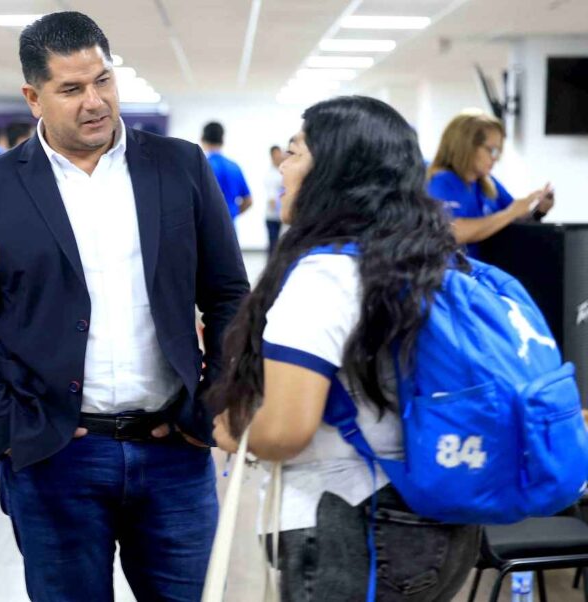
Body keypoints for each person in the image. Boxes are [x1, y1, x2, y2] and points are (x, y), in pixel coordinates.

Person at [0, 12, 249, 601]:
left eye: (103, 80)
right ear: (34, 97)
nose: (95, 101)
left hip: (173, 451)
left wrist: (212, 400)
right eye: (72, 88)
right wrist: (6, 430)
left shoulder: (180, 167)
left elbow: (229, 294)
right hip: (54, 458)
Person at [211, 96, 480, 602]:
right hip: (437, 523)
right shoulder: (425, 258)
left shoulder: (327, 276)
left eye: (295, 152)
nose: (283, 167)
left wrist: (233, 431)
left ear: (334, 171)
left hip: (352, 526)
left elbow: (286, 431)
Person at [427, 110, 554, 259]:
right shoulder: (441, 182)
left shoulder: (488, 184)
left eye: (498, 152)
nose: (496, 158)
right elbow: (452, 232)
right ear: (467, 146)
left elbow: (512, 223)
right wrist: (511, 213)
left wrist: (538, 210)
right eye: (492, 150)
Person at [201, 121, 252, 220]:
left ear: (203, 139)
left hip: (206, 225)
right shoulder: (234, 166)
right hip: (230, 225)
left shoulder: (202, 166)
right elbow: (248, 200)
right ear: (222, 139)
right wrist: (231, 215)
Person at [264, 144, 285, 256]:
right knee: (273, 245)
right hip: (273, 216)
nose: (279, 156)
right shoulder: (271, 175)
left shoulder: (282, 172)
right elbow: (272, 199)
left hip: (281, 215)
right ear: (272, 156)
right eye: (277, 154)